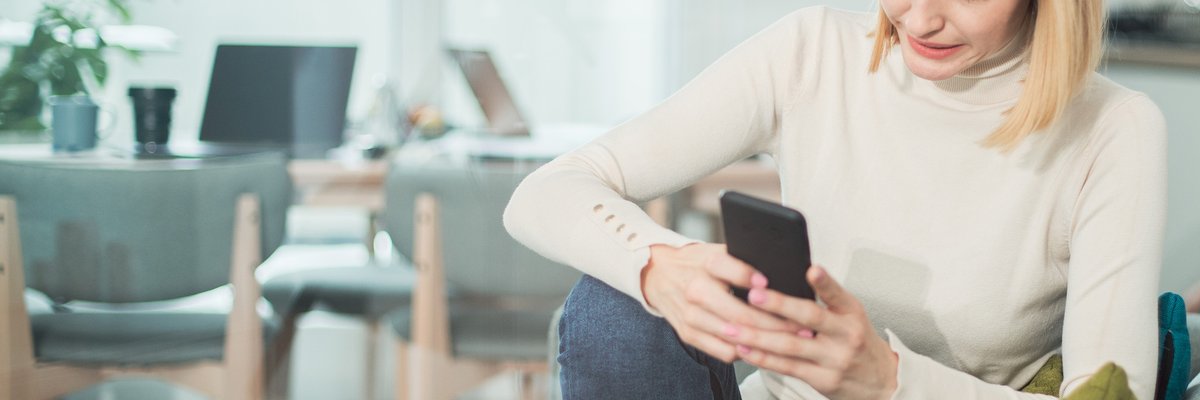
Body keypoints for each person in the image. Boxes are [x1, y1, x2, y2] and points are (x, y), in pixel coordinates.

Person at [504, 0, 1166, 399]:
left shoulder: (1113, 129)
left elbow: (1111, 396)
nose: (921, 16)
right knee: (615, 299)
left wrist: (889, 382)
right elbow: (545, 192)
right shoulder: (811, 52)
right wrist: (662, 265)